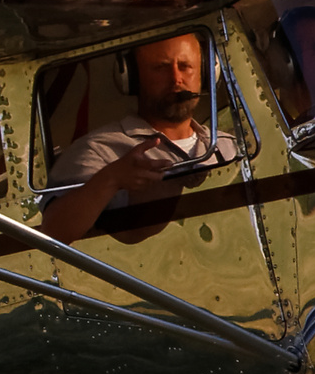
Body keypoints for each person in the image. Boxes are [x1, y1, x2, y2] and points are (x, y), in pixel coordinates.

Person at [41, 33, 236, 244]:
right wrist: (110, 179)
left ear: (206, 73)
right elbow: (53, 233)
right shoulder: (97, 149)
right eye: (160, 67)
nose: (176, 79)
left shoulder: (229, 147)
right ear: (132, 77)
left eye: (186, 66)